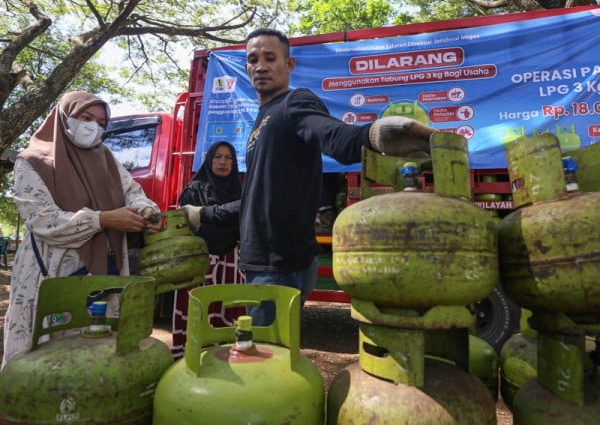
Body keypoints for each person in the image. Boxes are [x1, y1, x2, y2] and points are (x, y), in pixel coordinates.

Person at [183, 28, 434, 326]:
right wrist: (203, 214)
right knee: (273, 358)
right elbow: (254, 200)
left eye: (270, 58)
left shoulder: (294, 103)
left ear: (288, 65)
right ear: (247, 67)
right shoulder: (263, 121)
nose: (261, 66)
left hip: (276, 265)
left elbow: (333, 136)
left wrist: (373, 134)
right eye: (253, 59)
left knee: (265, 361)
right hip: (270, 262)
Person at [0, 91, 161, 365]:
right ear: (64, 116)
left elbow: (133, 191)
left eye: (101, 123)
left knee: (93, 355)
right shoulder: (32, 161)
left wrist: (146, 210)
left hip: (103, 275)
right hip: (53, 273)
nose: (93, 127)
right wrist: (103, 220)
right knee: (42, 357)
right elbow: (43, 220)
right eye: (86, 118)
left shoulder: (106, 158)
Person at [172, 141, 242, 358]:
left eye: (228, 157)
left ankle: (224, 357)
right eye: (217, 157)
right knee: (198, 311)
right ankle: (191, 357)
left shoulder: (239, 190)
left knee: (228, 311)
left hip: (230, 261)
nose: (223, 162)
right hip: (199, 262)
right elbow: (181, 226)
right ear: (209, 160)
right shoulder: (193, 189)